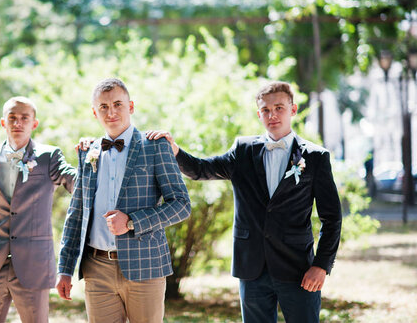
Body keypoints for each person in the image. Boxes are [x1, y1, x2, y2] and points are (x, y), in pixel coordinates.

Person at [146, 81, 342, 323]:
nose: (272, 115)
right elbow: (201, 169)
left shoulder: (315, 157)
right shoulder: (243, 150)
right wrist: (174, 150)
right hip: (252, 268)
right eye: (266, 110)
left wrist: (321, 265)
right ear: (258, 113)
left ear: (293, 109)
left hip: (298, 268)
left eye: (279, 108)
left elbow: (331, 218)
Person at [56, 78, 191, 323]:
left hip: (145, 266)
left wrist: (131, 222)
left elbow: (181, 205)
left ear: (131, 106)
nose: (111, 112)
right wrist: (64, 268)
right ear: (94, 112)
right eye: (104, 107)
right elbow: (76, 213)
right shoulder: (88, 151)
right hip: (96, 268)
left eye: (118, 104)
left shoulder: (155, 146)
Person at [0, 96, 77, 323]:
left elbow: (74, 181)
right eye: (12, 118)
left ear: (34, 123)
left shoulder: (49, 156)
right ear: (3, 123)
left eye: (24, 118)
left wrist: (93, 159)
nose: (18, 123)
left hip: (33, 264)